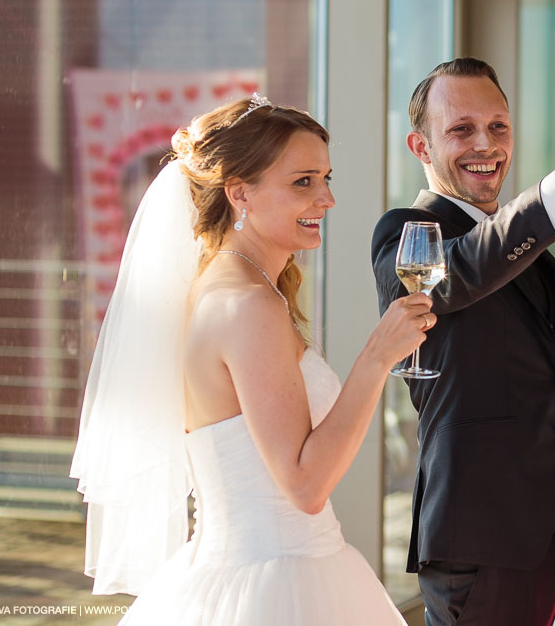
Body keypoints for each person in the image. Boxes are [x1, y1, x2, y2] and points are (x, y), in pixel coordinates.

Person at [71, 94, 433, 624]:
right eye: (303, 182)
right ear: (240, 193)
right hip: (279, 582)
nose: (327, 199)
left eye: (326, 179)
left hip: (242, 568)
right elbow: (305, 486)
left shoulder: (229, 284)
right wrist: (377, 357)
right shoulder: (248, 305)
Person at [371, 58, 555, 625]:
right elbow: (460, 274)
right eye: (461, 129)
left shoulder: (532, 256)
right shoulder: (406, 236)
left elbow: (551, 394)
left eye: (498, 126)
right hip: (482, 546)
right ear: (420, 147)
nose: (486, 143)